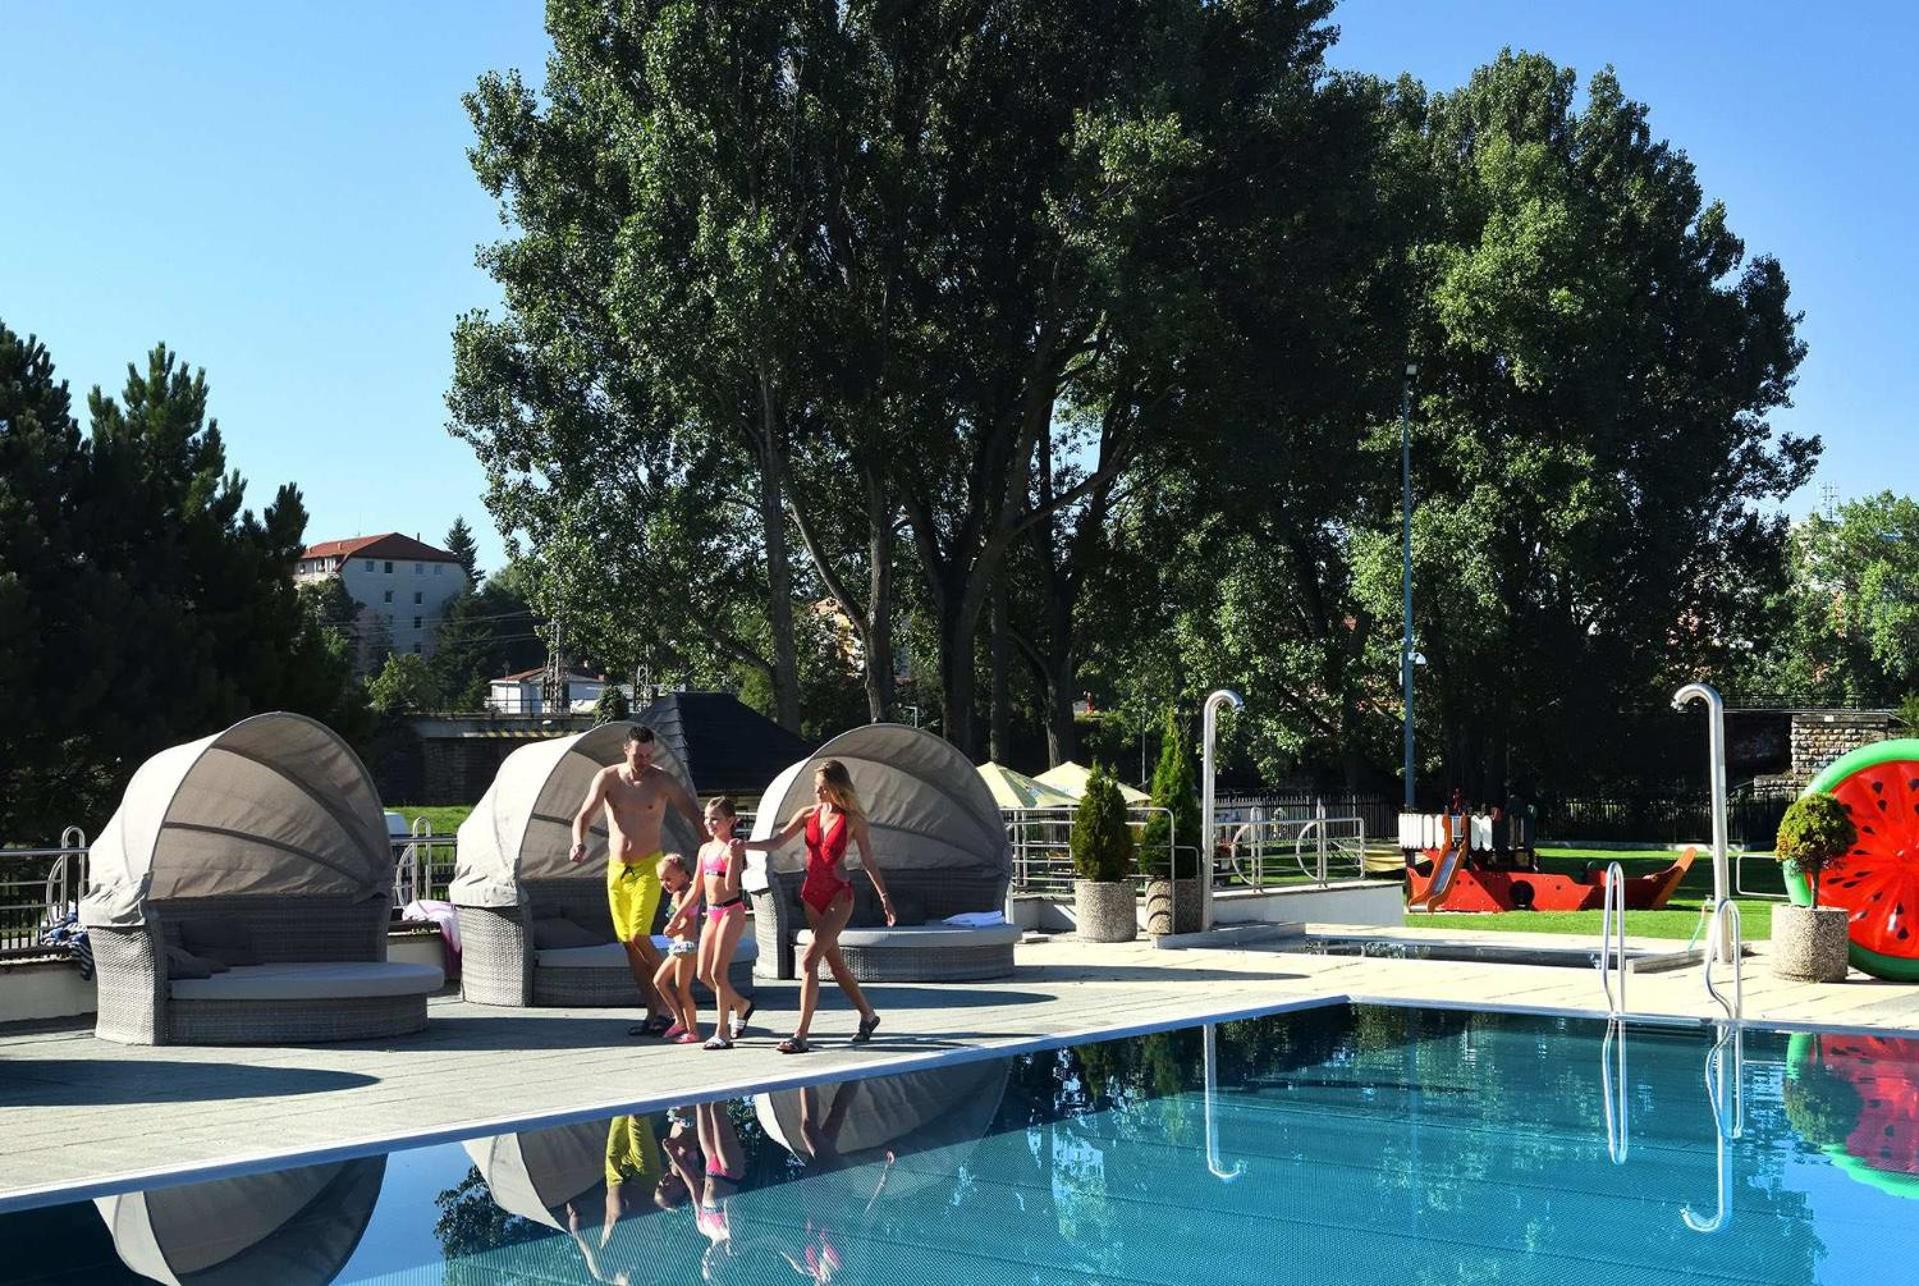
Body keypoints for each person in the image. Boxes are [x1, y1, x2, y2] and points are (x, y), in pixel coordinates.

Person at [740, 760, 894, 1054]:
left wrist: (884, 897)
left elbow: (868, 860)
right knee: (835, 964)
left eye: (823, 788)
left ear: (837, 787)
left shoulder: (853, 819)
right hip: (812, 894)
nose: (819, 793)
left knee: (809, 959)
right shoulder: (807, 814)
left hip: (839, 895)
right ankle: (868, 1015)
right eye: (816, 788)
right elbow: (776, 842)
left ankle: (800, 1035)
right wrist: (744, 845)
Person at [569, 724, 702, 1037]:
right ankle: (654, 1013)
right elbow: (584, 815)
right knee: (629, 944)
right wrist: (578, 842)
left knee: (640, 935)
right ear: (625, 750)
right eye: (638, 755)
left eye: (648, 755)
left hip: (649, 867)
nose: (644, 761)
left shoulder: (661, 780)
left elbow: (693, 813)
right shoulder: (608, 778)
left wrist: (713, 852)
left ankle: (673, 1007)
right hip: (618, 870)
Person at [697, 797, 754, 1050]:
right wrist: (679, 915)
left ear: (731, 821)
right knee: (703, 974)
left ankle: (722, 1032)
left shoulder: (732, 849)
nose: (709, 823)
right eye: (707, 818)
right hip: (712, 912)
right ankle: (741, 1004)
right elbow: (697, 887)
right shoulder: (705, 849)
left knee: (718, 973)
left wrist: (734, 859)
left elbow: (731, 887)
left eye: (715, 819)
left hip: (731, 911)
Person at [651, 854, 703, 1044]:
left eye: (668, 879)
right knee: (659, 981)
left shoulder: (682, 895)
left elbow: (687, 922)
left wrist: (673, 929)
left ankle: (692, 1030)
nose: (664, 884)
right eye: (661, 880)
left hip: (686, 947)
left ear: (683, 875)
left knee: (683, 991)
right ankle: (679, 1020)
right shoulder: (685, 892)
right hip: (679, 947)